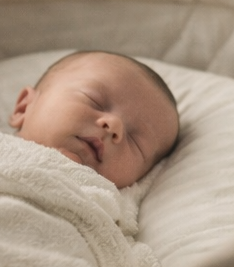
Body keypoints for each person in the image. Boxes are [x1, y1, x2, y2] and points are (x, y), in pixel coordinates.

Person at [11, 50, 181, 189]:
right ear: (24, 107)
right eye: (94, 101)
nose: (115, 126)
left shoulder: (117, 211)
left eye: (135, 142)